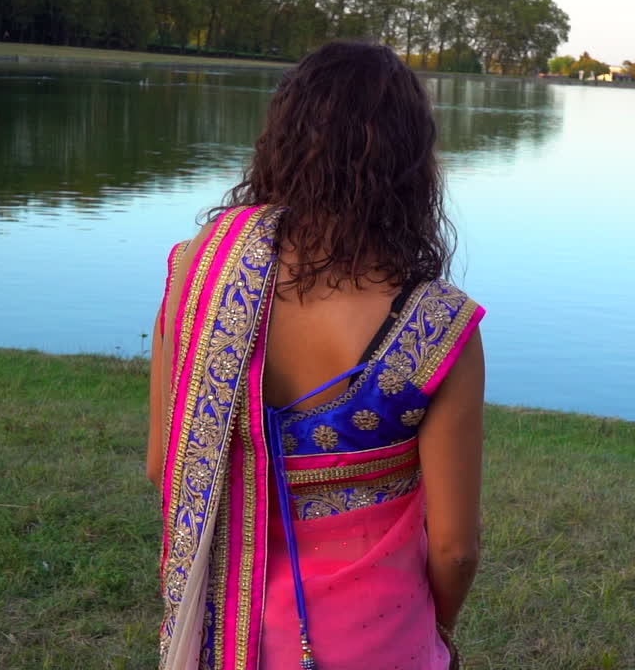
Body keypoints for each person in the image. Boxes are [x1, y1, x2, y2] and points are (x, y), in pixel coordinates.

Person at [146, 41, 486, 670]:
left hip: (224, 632)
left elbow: (164, 464)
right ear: (413, 165)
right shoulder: (437, 326)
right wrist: (435, 627)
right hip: (378, 639)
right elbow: (455, 550)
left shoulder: (200, 270)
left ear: (281, 137)